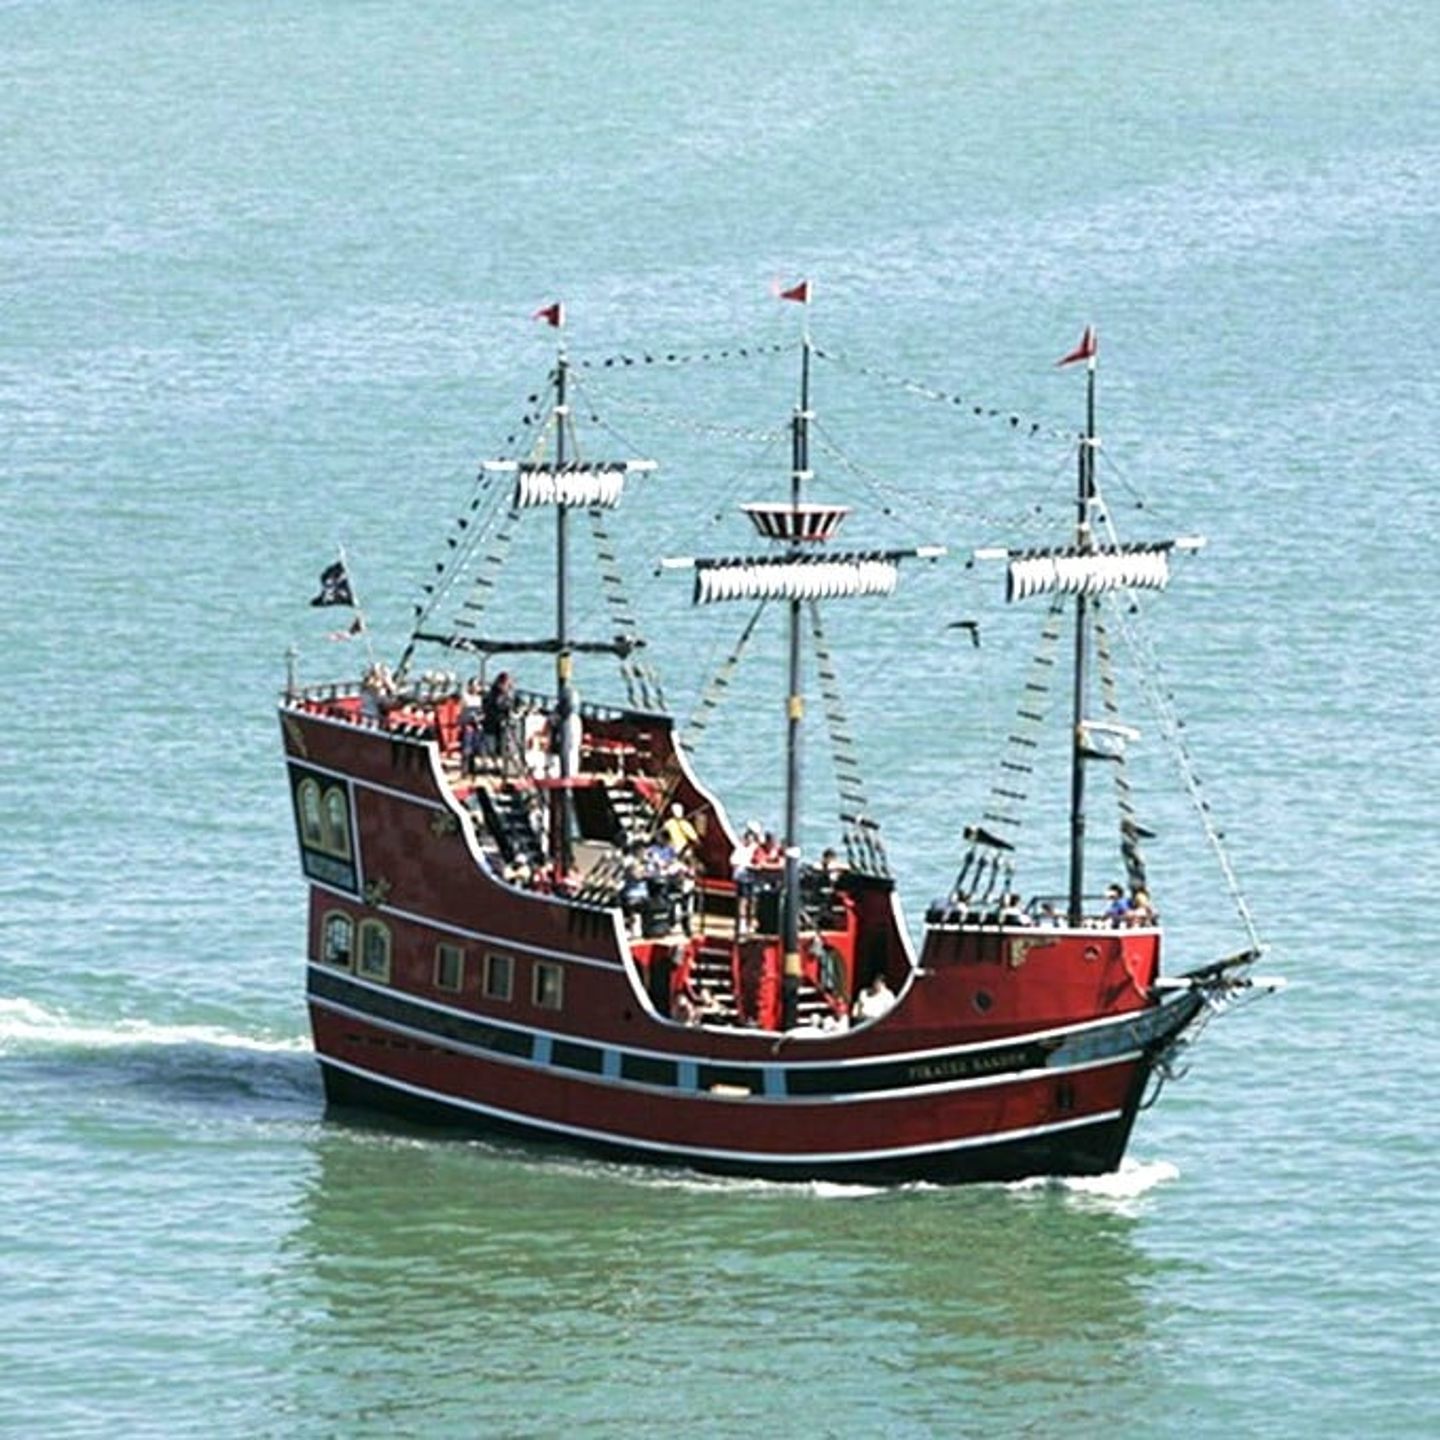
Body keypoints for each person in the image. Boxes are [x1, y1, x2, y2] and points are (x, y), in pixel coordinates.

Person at [482, 671, 516, 768]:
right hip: (492, 723)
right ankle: (494, 761)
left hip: (504, 724)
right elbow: (495, 705)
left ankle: (506, 762)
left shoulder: (509, 693)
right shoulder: (493, 694)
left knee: (507, 742)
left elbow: (513, 703)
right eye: (505, 684)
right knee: (492, 745)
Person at [730, 824, 760, 933]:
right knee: (743, 901)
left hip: (752, 877)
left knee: (752, 902)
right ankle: (742, 924)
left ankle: (750, 923)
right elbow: (733, 861)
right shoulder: (740, 848)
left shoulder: (755, 848)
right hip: (742, 877)